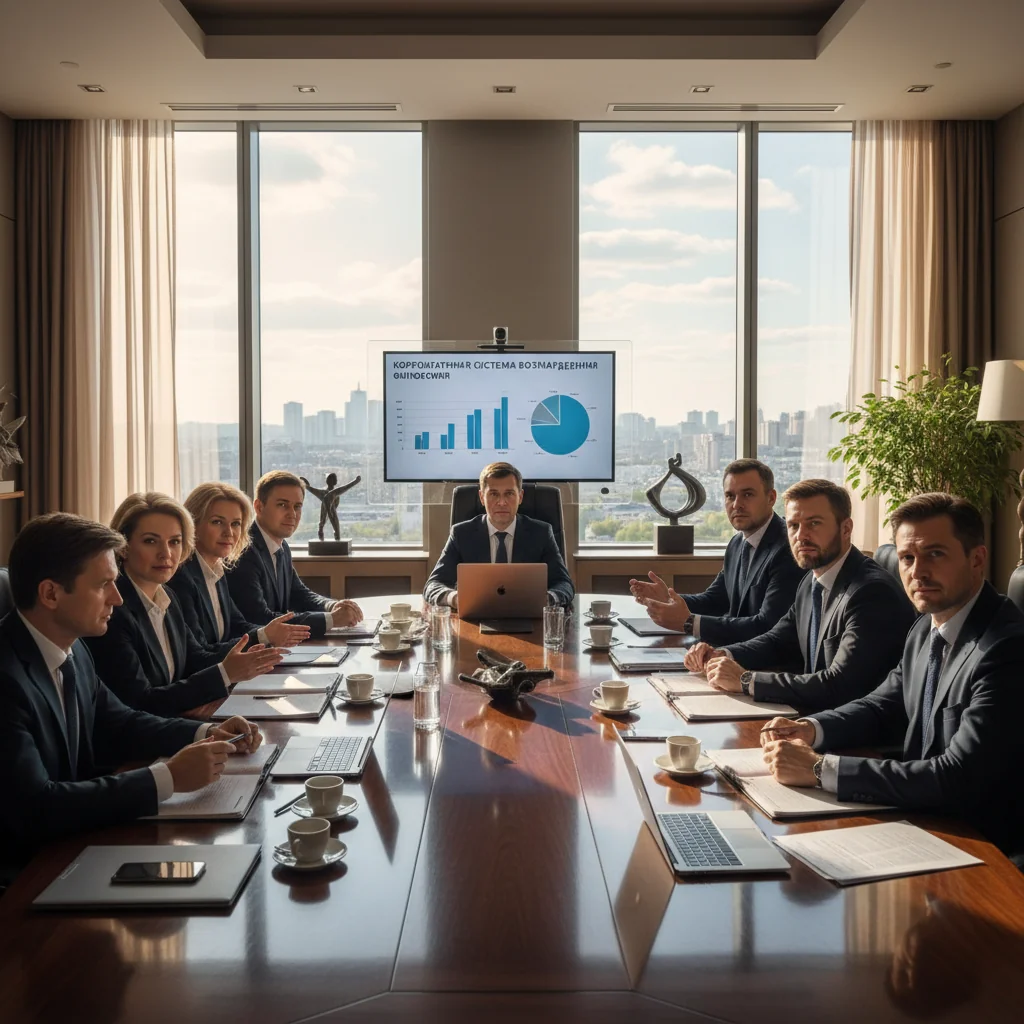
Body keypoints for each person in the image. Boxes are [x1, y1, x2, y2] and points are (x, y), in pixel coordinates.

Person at [760, 493, 1024, 858]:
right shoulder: (924, 629)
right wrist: (811, 728)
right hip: (918, 820)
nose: (917, 572)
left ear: (976, 559)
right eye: (907, 558)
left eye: (935, 554)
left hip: (982, 847)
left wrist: (823, 769)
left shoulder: (1006, 648)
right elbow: (883, 705)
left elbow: (956, 777)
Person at [0, 513, 262, 870]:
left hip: (78, 839)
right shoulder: (7, 676)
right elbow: (36, 807)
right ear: (50, 593)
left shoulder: (73, 648)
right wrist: (168, 778)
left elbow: (121, 722)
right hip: (27, 873)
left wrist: (207, 732)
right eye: (103, 585)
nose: (118, 599)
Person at [685, 479, 916, 711]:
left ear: (846, 529)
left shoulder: (871, 593)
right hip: (811, 714)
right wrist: (722, 654)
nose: (801, 536)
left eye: (814, 523)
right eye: (793, 525)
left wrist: (747, 681)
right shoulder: (811, 580)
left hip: (855, 735)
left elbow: (840, 685)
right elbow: (778, 641)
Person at [85, 492, 285, 716]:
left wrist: (244, 659)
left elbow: (195, 659)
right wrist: (225, 673)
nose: (166, 554)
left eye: (175, 542)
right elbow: (140, 702)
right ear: (123, 547)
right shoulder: (113, 610)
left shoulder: (167, 596)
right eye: (151, 541)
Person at [629, 459, 805, 645]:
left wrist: (690, 623)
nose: (737, 504)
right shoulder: (737, 543)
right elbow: (715, 600)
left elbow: (767, 626)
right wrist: (669, 598)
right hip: (734, 651)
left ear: (771, 498)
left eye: (747, 495)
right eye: (730, 496)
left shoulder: (789, 549)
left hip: (766, 664)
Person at [168, 481, 312, 651]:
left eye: (236, 524)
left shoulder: (217, 569)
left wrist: (268, 633)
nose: (229, 533)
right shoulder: (181, 576)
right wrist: (263, 636)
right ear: (192, 524)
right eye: (217, 522)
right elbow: (200, 652)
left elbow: (237, 625)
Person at [226, 470, 364, 638]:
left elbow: (298, 593)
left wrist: (331, 606)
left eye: (297, 506)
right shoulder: (244, 552)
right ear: (259, 507)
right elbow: (262, 619)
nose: (292, 514)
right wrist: (331, 620)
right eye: (282, 505)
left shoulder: (281, 546)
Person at [423, 461, 575, 609]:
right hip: (475, 619)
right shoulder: (461, 534)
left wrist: (547, 599)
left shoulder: (541, 533)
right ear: (482, 497)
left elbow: (564, 584)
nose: (502, 502)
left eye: (509, 494)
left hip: (529, 619)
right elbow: (433, 585)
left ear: (520, 497)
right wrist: (455, 599)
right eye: (494, 494)